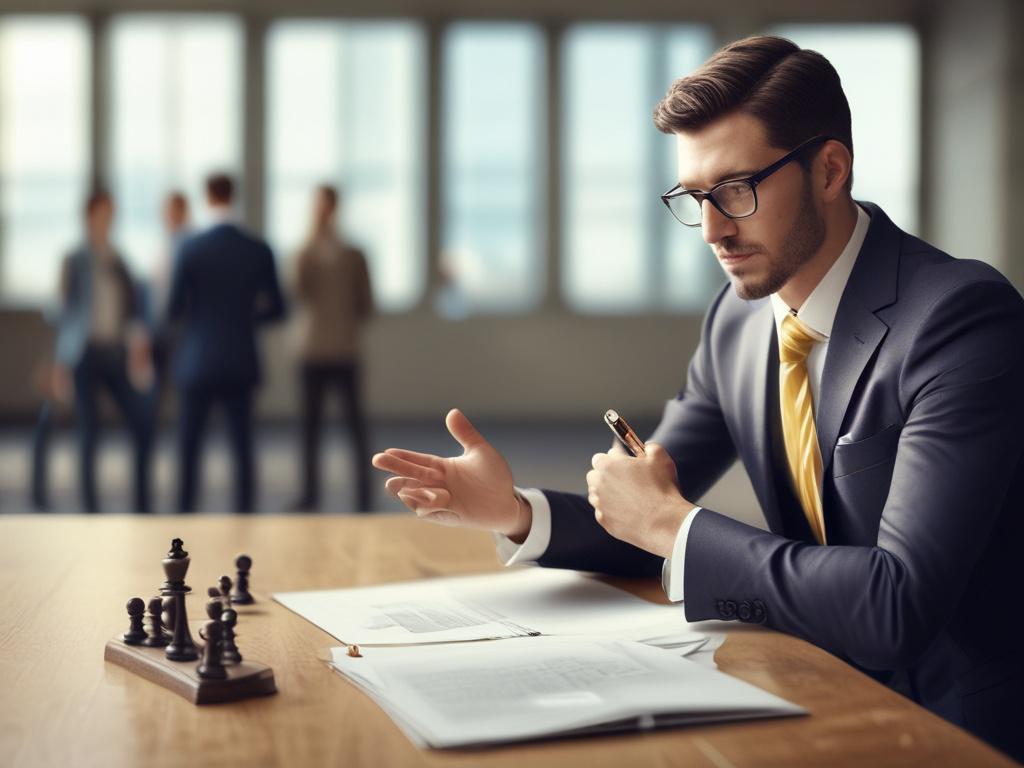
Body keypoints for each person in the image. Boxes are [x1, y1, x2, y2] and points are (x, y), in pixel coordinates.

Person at [372, 36, 1024, 761]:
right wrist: (519, 513)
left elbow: (898, 604)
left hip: (961, 725)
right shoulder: (738, 321)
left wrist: (677, 529)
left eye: (737, 190)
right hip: (811, 687)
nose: (712, 229)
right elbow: (651, 506)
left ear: (830, 169)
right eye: (693, 197)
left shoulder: (961, 319)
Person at [167, 173, 286, 513]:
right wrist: (244, 319)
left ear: (207, 197)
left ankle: (184, 519)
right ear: (235, 196)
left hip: (198, 359)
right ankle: (245, 519)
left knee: (189, 449)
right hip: (240, 358)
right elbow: (278, 309)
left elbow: (173, 310)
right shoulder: (258, 249)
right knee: (242, 450)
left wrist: (201, 319)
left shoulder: (190, 248)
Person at [54, 189, 152, 513]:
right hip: (83, 354)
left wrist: (137, 343)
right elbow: (62, 312)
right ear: (89, 216)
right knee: (89, 430)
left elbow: (134, 309)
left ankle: (141, 505)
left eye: (111, 214)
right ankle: (89, 509)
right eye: (102, 214)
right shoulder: (74, 258)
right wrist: (59, 363)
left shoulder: (119, 260)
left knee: (141, 420)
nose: (107, 220)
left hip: (114, 352)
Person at [288, 185, 375, 512]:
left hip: (344, 349)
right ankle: (309, 495)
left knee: (355, 427)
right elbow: (296, 290)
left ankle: (364, 497)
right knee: (310, 428)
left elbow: (366, 302)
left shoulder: (354, 254)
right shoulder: (304, 252)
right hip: (311, 351)